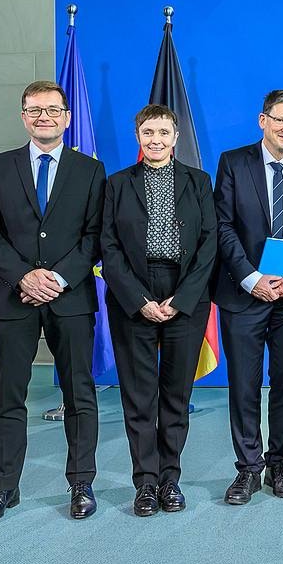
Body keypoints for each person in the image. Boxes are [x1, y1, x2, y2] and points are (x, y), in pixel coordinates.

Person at [0, 80, 105, 522]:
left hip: (71, 300)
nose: (44, 117)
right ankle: (3, 488)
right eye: (35, 110)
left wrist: (59, 277)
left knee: (79, 395)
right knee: (8, 398)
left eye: (52, 109)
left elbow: (94, 237)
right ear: (23, 116)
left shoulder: (89, 170)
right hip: (13, 298)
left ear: (66, 117)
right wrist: (24, 276)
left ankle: (82, 483)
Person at [100, 105, 216, 517]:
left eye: (163, 132)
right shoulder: (116, 184)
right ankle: (145, 483)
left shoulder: (199, 182)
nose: (156, 140)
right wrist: (139, 300)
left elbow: (209, 245)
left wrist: (181, 299)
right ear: (137, 135)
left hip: (185, 295)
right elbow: (108, 248)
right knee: (139, 396)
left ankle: (170, 480)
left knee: (175, 396)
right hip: (134, 293)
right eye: (148, 132)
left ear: (176, 136)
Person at [213, 90, 283, 505]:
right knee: (243, 384)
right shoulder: (233, 162)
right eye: (281, 121)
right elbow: (221, 226)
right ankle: (247, 469)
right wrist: (250, 277)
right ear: (263, 120)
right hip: (244, 293)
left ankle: (279, 462)